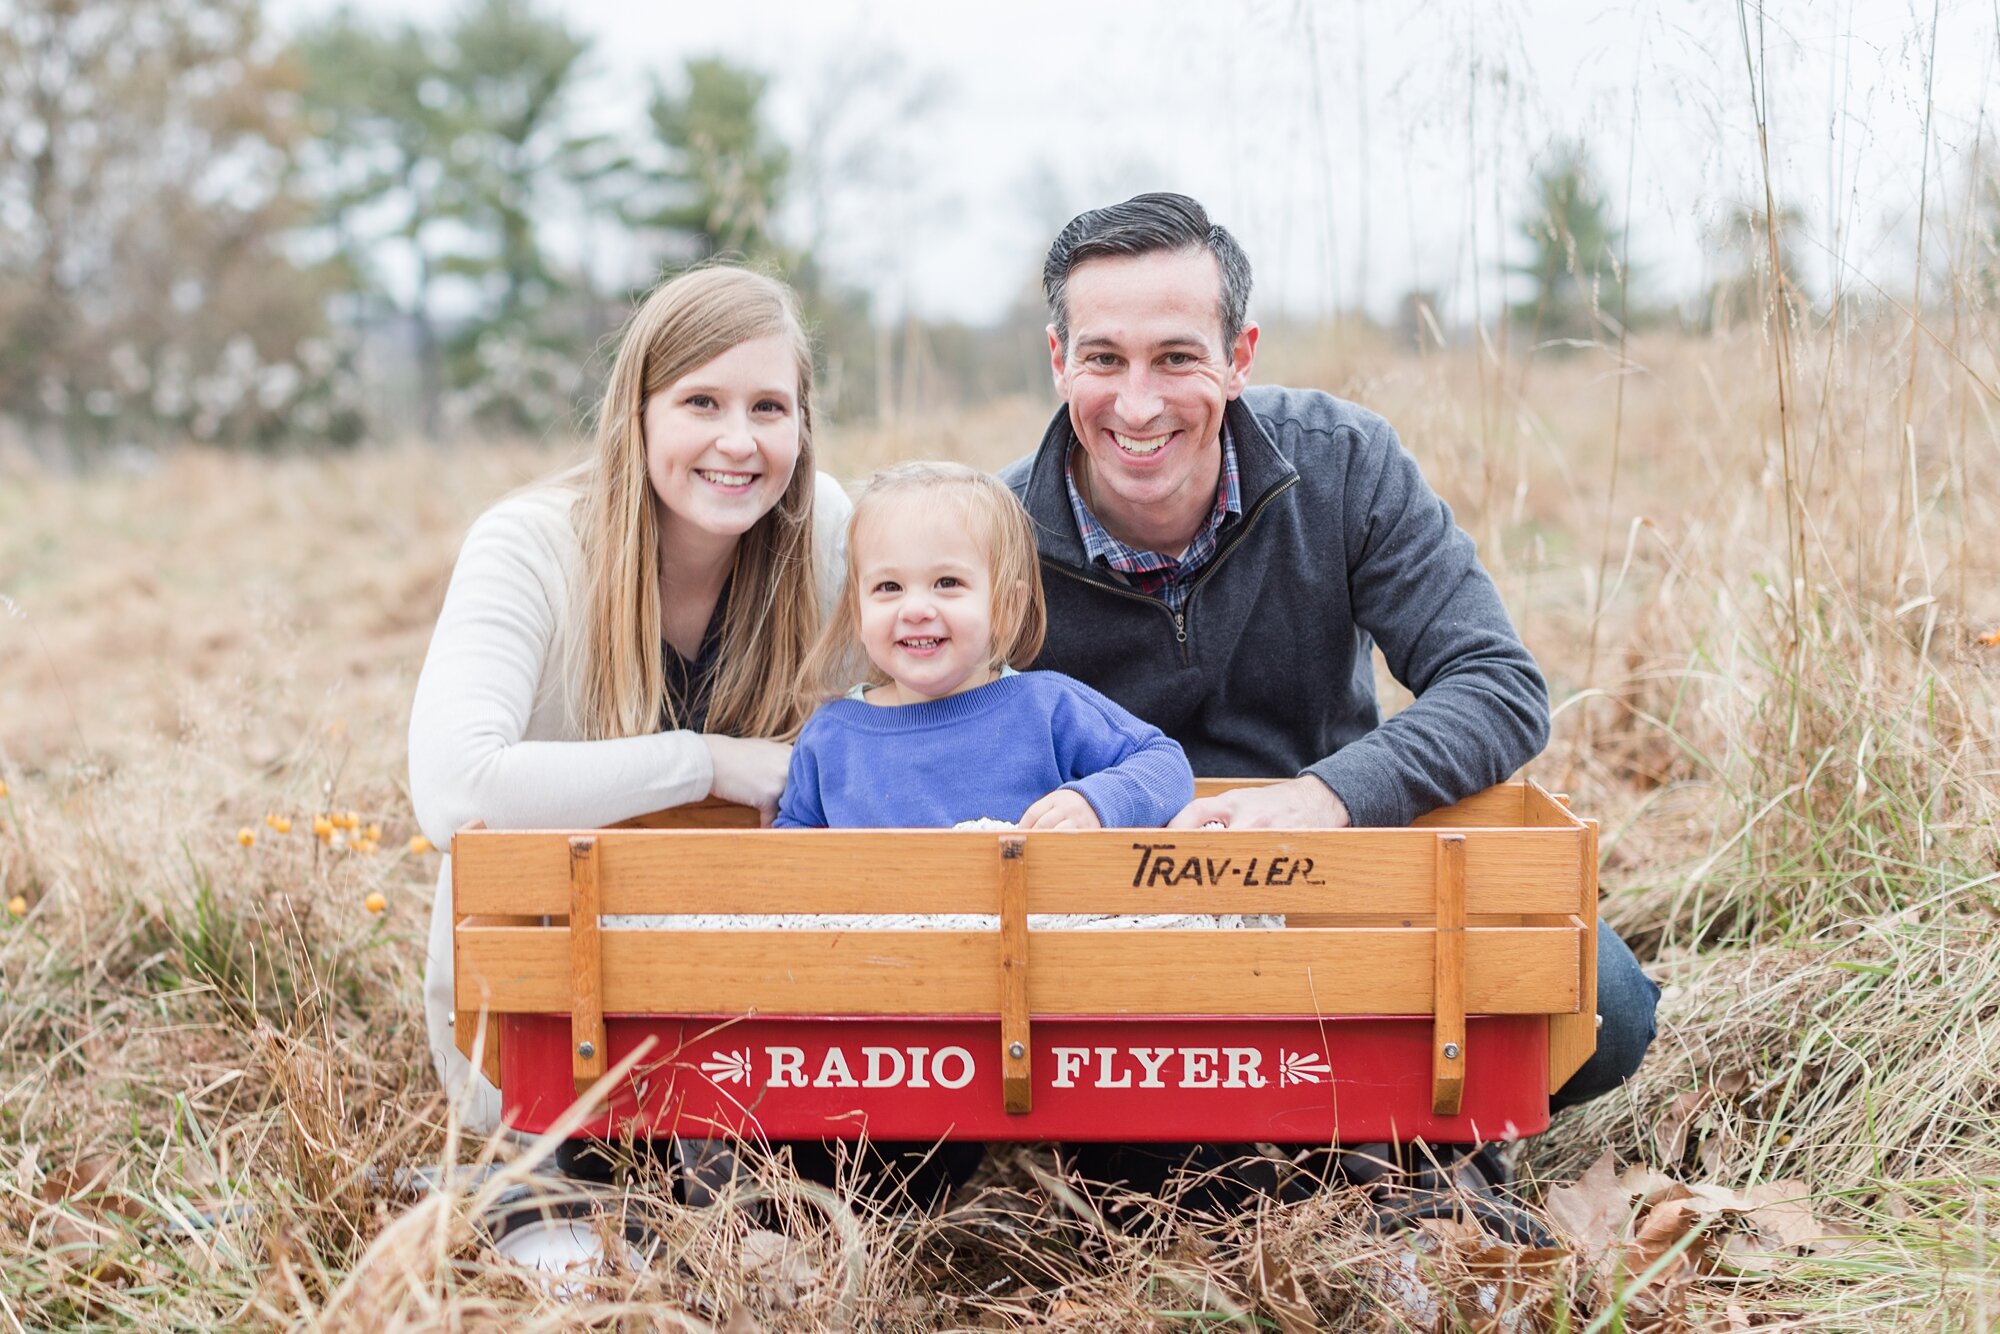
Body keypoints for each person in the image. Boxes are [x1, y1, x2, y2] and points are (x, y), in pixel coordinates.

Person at [1001, 192, 1660, 1233]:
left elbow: (1494, 681)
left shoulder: (1341, 464)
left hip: (1336, 876)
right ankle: (1324, 1150)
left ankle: (1326, 1137)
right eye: (1102, 358)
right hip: (1119, 917)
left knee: (1605, 1006)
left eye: (1176, 356)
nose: (1136, 403)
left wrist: (1327, 796)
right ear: (1056, 360)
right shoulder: (995, 540)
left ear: (1237, 355)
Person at [409, 264, 850, 1137]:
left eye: (768, 408)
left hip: (764, 1014)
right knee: (594, 1221)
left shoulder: (824, 533)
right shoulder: (529, 546)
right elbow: (454, 789)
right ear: (637, 411)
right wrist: (706, 763)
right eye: (700, 403)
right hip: (547, 1018)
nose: (739, 441)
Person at [777, 460, 1194, 830]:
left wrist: (1096, 802)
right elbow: (792, 847)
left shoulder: (1047, 708)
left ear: (1006, 606)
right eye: (889, 587)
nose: (916, 609)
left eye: (948, 583)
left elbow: (1165, 764)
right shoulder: (831, 738)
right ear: (858, 613)